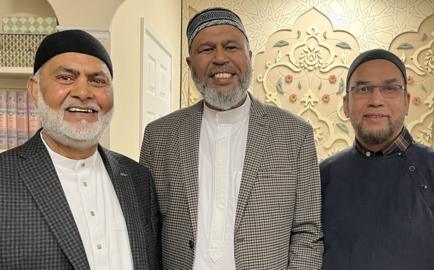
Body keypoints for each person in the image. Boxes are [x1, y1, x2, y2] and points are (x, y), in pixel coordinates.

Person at [140, 7, 322, 269]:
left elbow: (308, 232)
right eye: (206, 49)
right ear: (191, 64)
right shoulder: (159, 135)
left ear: (249, 57)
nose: (220, 58)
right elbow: (148, 227)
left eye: (231, 47)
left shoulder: (295, 134)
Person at [0, 30, 160, 270]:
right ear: (35, 90)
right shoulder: (4, 177)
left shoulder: (138, 178)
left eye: (97, 80)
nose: (83, 93)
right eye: (65, 77)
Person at [320, 48, 434, 270]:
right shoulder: (322, 176)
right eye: (363, 89)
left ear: (406, 102)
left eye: (390, 88)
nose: (376, 100)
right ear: (346, 104)